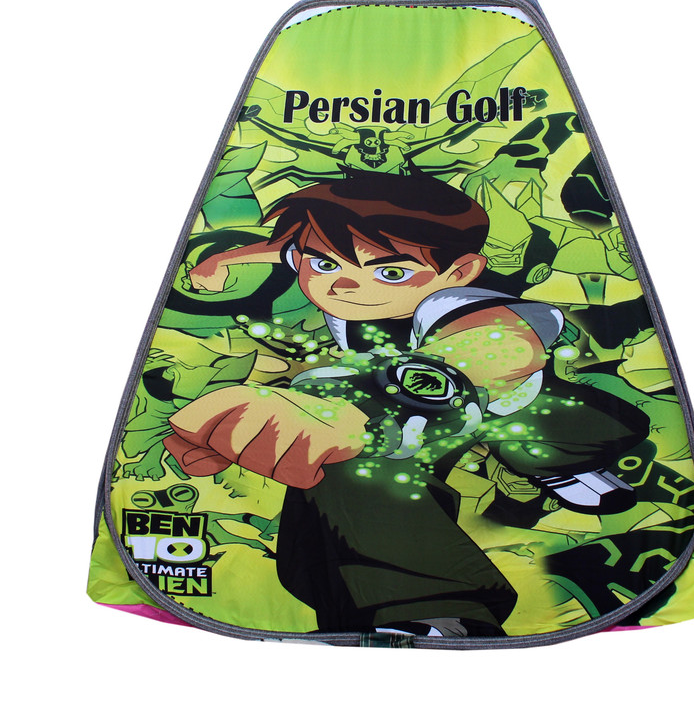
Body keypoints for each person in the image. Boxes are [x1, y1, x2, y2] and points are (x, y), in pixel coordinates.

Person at [164, 170, 644, 636]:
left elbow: (503, 347)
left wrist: (351, 404)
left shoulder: (463, 306)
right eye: (325, 266)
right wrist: (224, 261)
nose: (342, 285)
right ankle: (414, 609)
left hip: (519, 411)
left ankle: (448, 597)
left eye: (391, 272)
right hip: (424, 423)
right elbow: (294, 248)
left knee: (523, 432)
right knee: (358, 467)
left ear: (459, 272)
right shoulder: (324, 261)